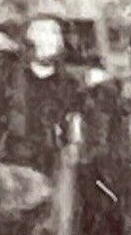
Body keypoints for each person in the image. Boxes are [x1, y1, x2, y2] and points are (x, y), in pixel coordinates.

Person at [7, 17, 82, 177]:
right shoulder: (14, 79)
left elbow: (74, 116)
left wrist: (74, 143)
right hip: (18, 155)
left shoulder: (69, 84)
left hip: (54, 157)